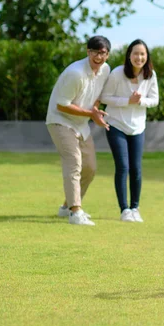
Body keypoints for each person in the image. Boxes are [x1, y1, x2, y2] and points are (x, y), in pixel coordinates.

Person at [46, 36, 111, 226]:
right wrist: (91, 113)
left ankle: (66, 207)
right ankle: (76, 212)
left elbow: (98, 95)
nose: (98, 57)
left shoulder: (105, 70)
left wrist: (96, 111)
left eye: (102, 53)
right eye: (94, 52)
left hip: (81, 123)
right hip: (60, 121)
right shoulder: (76, 73)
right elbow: (62, 105)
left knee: (89, 168)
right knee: (74, 162)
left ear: (107, 54)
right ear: (87, 51)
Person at [99, 39, 159, 223]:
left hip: (138, 127)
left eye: (142, 54)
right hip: (116, 124)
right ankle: (124, 209)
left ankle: (135, 207)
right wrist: (127, 101)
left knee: (136, 169)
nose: (139, 57)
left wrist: (140, 101)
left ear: (146, 56)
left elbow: (154, 100)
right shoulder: (117, 73)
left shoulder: (150, 75)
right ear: (129, 55)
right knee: (123, 167)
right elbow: (105, 97)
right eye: (135, 53)